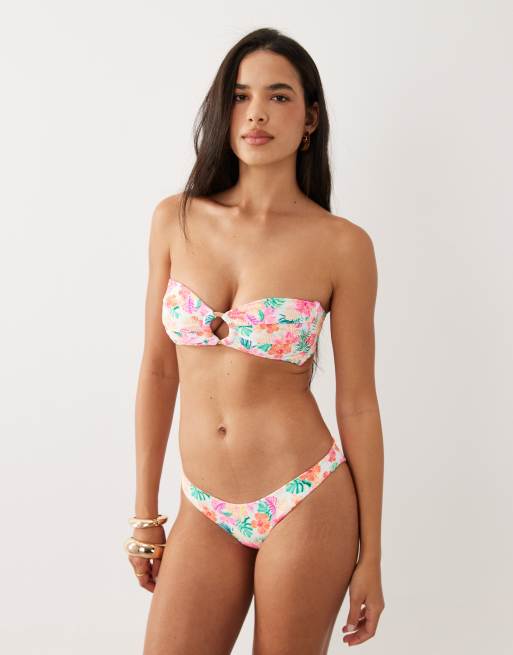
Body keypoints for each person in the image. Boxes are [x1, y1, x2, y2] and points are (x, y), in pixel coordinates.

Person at [124, 27, 385, 654]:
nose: (257, 113)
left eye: (278, 96)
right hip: (203, 505)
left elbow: (358, 404)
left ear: (311, 118)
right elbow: (158, 371)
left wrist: (371, 555)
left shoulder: (343, 245)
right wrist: (144, 513)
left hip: (306, 497)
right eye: (240, 96)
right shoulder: (175, 220)